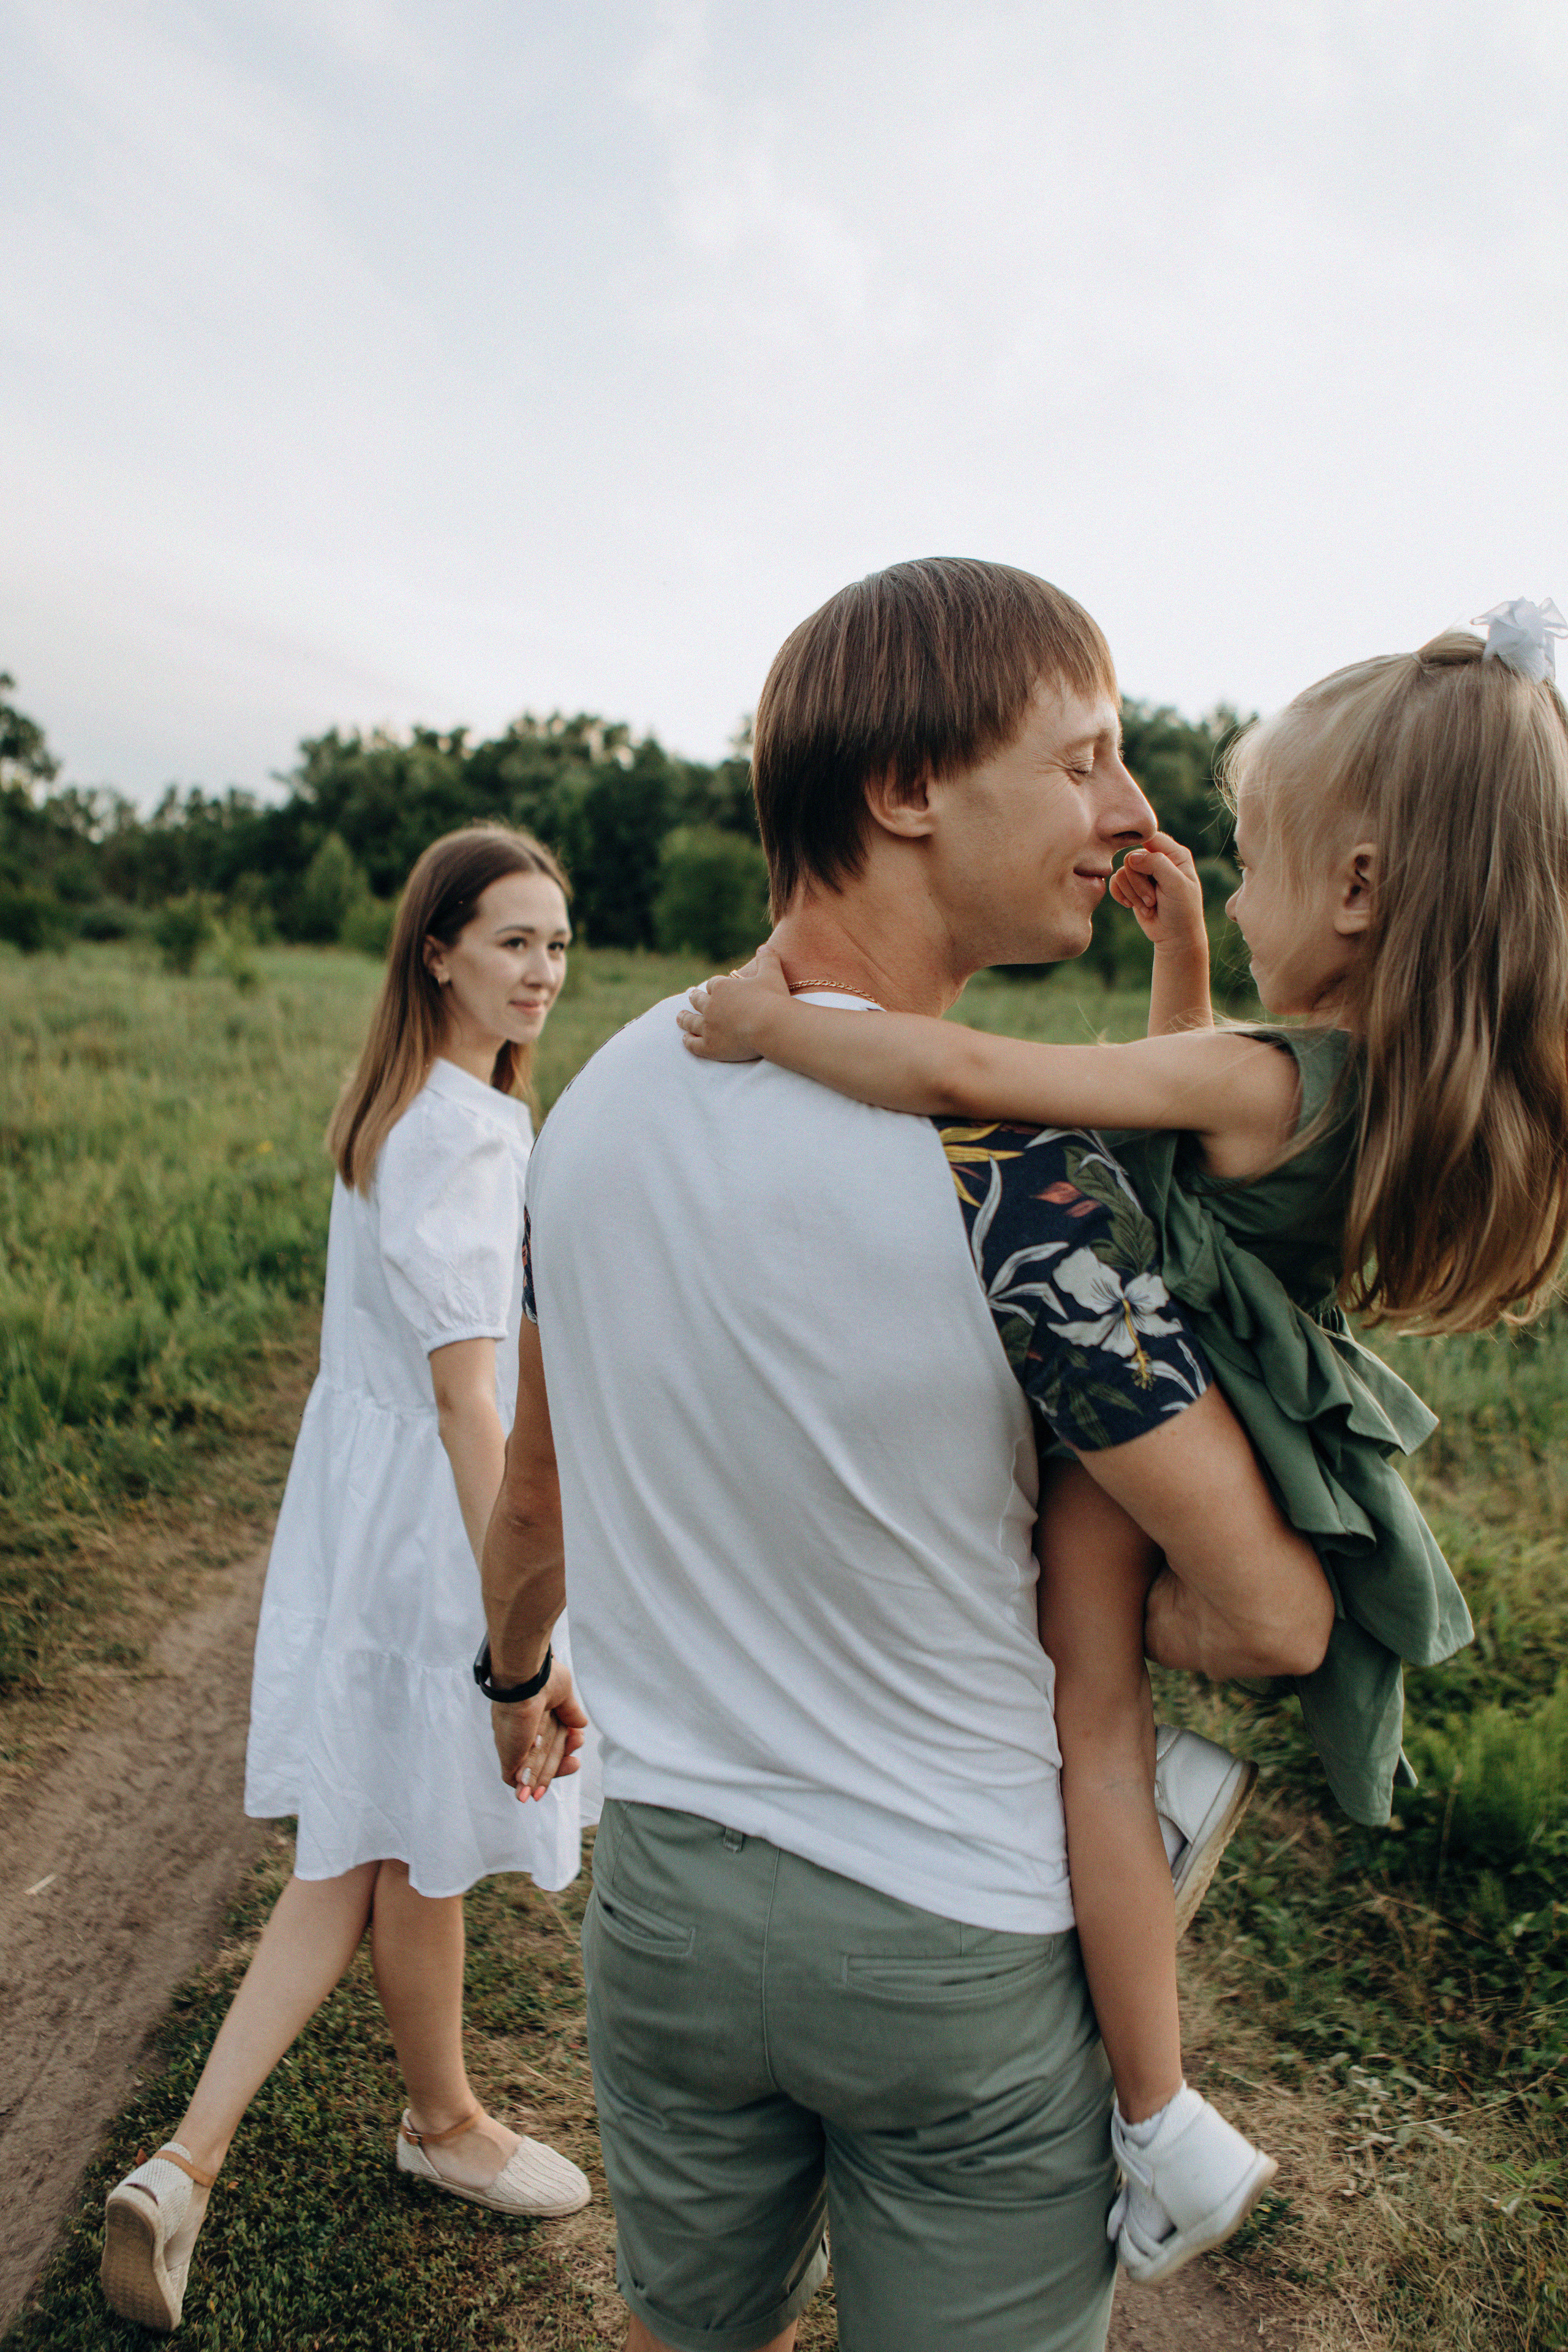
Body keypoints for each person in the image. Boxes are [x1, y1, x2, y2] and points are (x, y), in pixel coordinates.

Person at [477, 559, 1341, 2352]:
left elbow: (539, 1495)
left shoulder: (603, 1097)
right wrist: (1086, 1598)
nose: (1128, 812)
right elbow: (1265, 1617)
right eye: (1086, 756)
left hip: (668, 1908)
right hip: (952, 1938)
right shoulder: (1013, 1161)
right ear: (907, 789)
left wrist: (513, 1673)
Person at [676, 602, 1568, 2285]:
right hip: (1223, 1398)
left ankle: (1158, 2117)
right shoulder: (1348, 1081)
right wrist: (1184, 964)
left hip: (1137, 1412)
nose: (1226, 884)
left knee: (1084, 1714)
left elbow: (975, 1069)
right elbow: (1195, 1130)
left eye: (1252, 858)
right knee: (1091, 1704)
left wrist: (775, 1024)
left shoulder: (1272, 1075)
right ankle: (1146, 1906)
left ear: (1359, 892)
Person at [100, 824, 594, 2336]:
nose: (541, 972)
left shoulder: (399, 1104)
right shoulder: (466, 1131)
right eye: (512, 940)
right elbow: (467, 1398)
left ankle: (195, 2159)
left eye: (558, 945)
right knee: (416, 1837)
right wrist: (527, 1631)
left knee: (371, 1842)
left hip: (367, 1515)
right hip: (440, 1526)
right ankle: (435, 2127)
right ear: (436, 949)